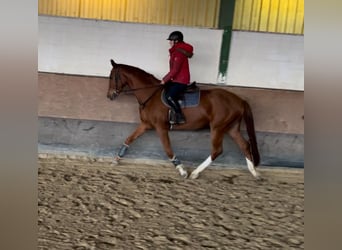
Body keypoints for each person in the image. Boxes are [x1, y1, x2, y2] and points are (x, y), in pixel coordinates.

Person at [160, 31, 194, 125]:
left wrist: (164, 80)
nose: (169, 42)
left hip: (181, 81)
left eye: (171, 40)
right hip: (176, 79)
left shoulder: (178, 52)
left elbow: (175, 70)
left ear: (176, 41)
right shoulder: (176, 50)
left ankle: (180, 116)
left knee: (170, 96)